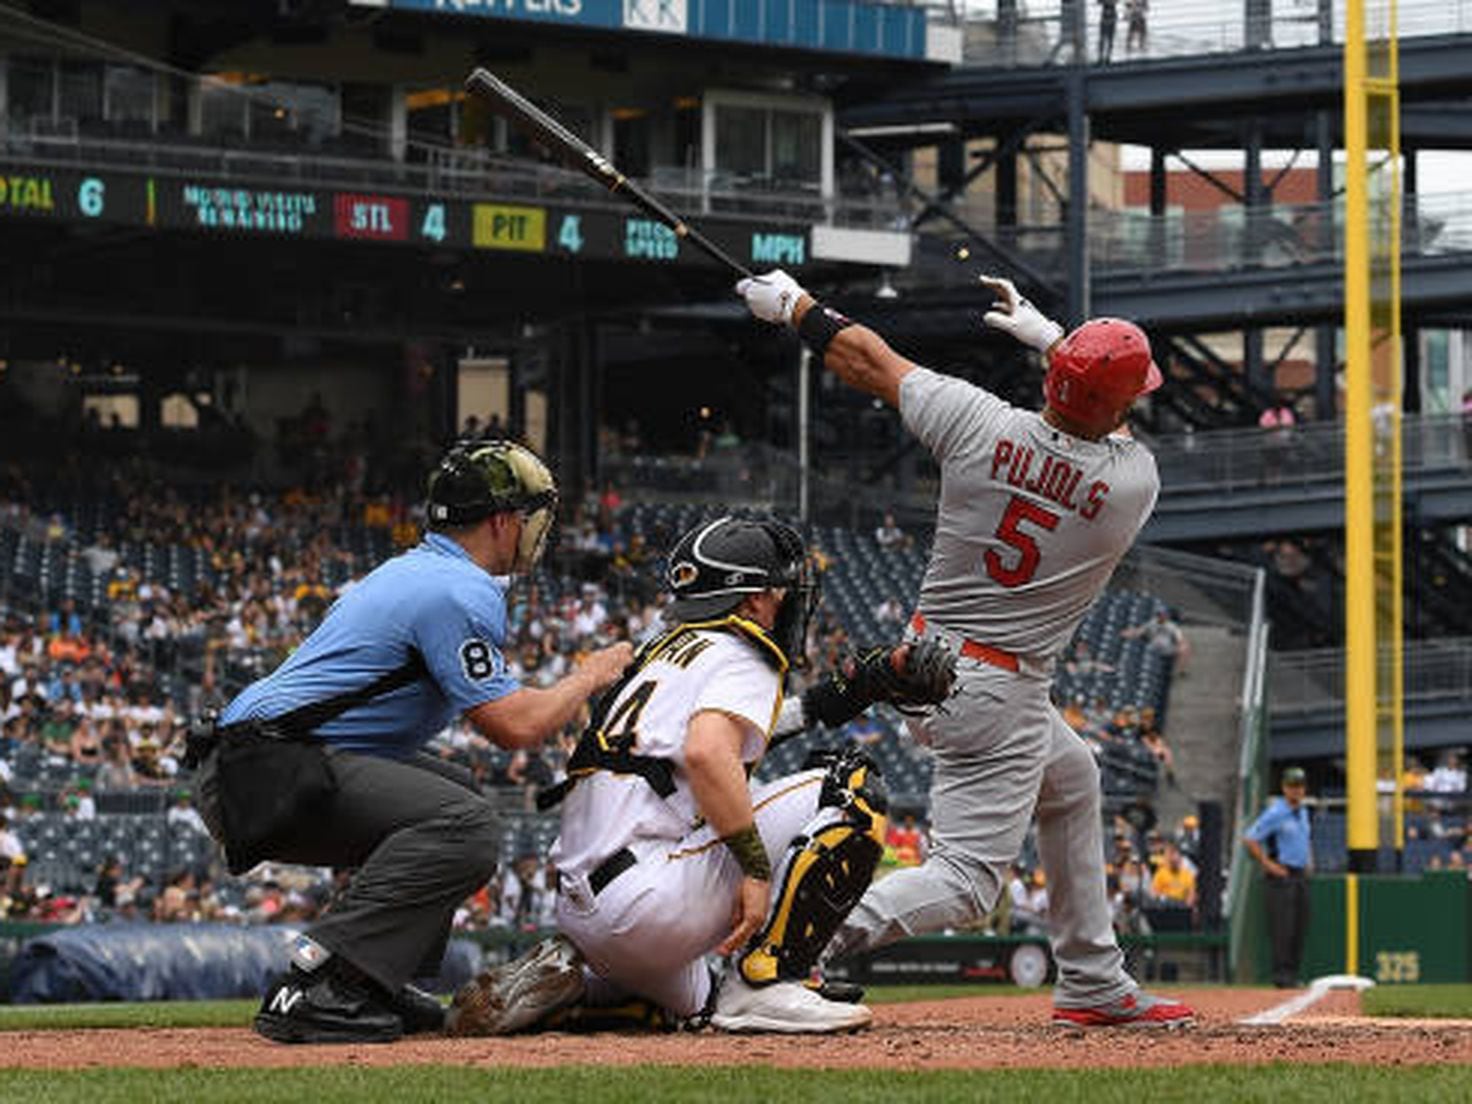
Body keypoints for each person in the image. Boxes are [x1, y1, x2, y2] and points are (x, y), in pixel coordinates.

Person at [734, 267, 1193, 1027]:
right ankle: (783, 946)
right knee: (968, 884)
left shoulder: (979, 422)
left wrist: (794, 308)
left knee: (1072, 777)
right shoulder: (1128, 484)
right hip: (998, 690)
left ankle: (1091, 979)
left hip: (927, 663)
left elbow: (866, 359)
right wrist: (1055, 340)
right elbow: (1115, 423)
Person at [194, 439, 633, 1044]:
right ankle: (326, 980)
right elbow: (514, 727)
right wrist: (589, 674)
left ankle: (372, 980)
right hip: (262, 769)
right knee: (469, 824)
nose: (537, 532)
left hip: (256, 759)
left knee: (456, 789)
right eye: (533, 518)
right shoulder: (458, 588)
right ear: (504, 521)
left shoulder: (420, 568)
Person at [446, 515, 953, 1036]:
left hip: (586, 907)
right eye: (779, 589)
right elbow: (710, 753)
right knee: (849, 785)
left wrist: (859, 688)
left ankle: (581, 989)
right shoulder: (741, 651)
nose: (788, 600)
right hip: (646, 904)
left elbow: (730, 738)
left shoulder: (664, 654)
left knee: (705, 1004)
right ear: (752, 600)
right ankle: (769, 981)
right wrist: (755, 870)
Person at [1243, 766, 1313, 988]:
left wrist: (1310, 861)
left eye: (1299, 786)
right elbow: (1250, 838)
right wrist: (1268, 864)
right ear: (1284, 788)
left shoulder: (1302, 811)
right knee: (1283, 927)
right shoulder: (1276, 812)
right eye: (1292, 786)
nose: (1296, 791)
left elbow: (1304, 840)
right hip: (1282, 876)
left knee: (1299, 926)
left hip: (1300, 875)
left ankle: (1292, 974)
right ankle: (1282, 975)